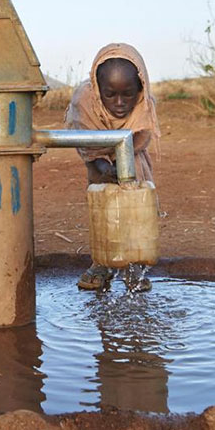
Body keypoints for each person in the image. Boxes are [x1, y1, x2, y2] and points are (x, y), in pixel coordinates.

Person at [65, 43, 161, 291]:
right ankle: (102, 264)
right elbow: (84, 137)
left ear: (140, 88)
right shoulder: (84, 101)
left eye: (128, 94)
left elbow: (140, 137)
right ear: (98, 89)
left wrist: (123, 165)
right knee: (103, 208)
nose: (119, 103)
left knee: (136, 208)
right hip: (96, 158)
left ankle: (134, 265)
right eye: (110, 95)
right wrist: (100, 164)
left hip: (133, 157)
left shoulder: (145, 103)